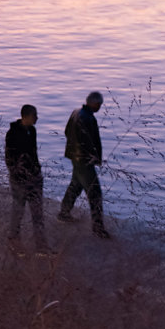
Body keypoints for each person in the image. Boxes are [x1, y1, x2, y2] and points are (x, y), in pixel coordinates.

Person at [58, 91, 111, 239]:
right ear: (95, 104)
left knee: (76, 185)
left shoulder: (76, 113)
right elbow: (89, 141)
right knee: (95, 194)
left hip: (75, 158)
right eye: (99, 105)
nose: (99, 107)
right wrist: (93, 157)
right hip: (84, 161)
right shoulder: (88, 118)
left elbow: (66, 131)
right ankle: (98, 228)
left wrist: (74, 150)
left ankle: (64, 212)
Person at [5, 104, 54, 255]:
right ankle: (13, 240)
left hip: (34, 178)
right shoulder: (12, 134)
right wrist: (17, 175)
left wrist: (37, 172)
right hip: (19, 180)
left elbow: (33, 154)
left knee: (37, 212)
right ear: (26, 116)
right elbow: (9, 159)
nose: (37, 118)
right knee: (18, 211)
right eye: (34, 115)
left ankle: (41, 246)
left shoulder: (32, 131)